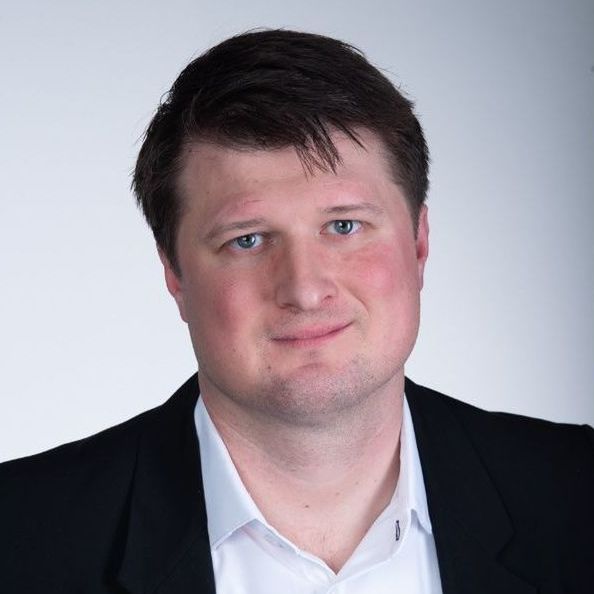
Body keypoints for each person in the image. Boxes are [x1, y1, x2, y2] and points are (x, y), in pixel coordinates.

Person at [1, 29, 592, 594]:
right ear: (174, 274)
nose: (305, 290)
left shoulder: (576, 493)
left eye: (344, 226)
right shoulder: (18, 538)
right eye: (248, 239)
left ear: (418, 244)